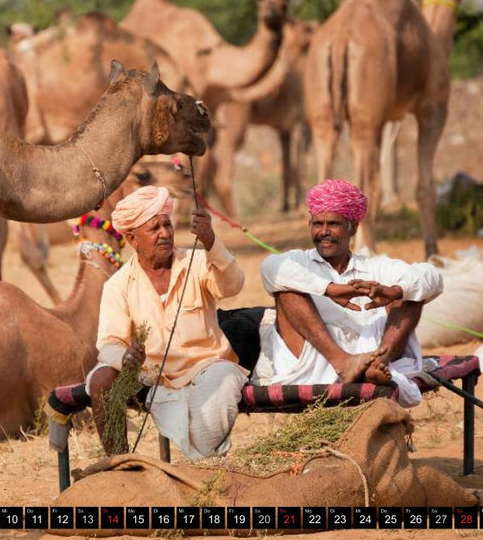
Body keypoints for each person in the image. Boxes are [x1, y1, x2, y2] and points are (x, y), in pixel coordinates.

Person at [87, 185, 248, 459]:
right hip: (152, 377)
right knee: (101, 378)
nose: (164, 233)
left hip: (207, 368)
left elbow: (233, 285)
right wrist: (125, 357)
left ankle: (205, 467)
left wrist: (211, 241)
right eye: (154, 228)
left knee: (208, 435)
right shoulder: (118, 285)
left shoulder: (198, 261)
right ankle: (121, 466)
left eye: (167, 225)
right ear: (132, 239)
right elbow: (109, 342)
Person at [258, 179, 443, 406]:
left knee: (410, 294)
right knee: (286, 290)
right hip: (313, 365)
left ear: (353, 228)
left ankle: (376, 364)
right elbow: (270, 268)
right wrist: (328, 289)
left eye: (333, 224)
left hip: (373, 358)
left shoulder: (374, 266)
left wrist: (395, 291)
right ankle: (344, 363)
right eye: (317, 224)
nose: (324, 232)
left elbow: (431, 275)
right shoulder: (297, 262)